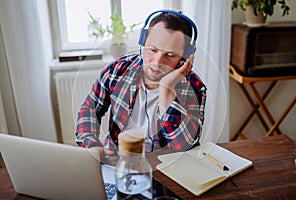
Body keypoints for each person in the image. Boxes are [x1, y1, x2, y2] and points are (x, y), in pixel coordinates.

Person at [75, 10, 207, 157]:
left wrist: (166, 88)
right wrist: (91, 143)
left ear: (185, 56)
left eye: (170, 55)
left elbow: (185, 145)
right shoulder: (117, 70)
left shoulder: (195, 87)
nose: (157, 63)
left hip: (164, 165)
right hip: (118, 158)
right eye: (153, 50)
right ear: (143, 42)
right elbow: (90, 108)